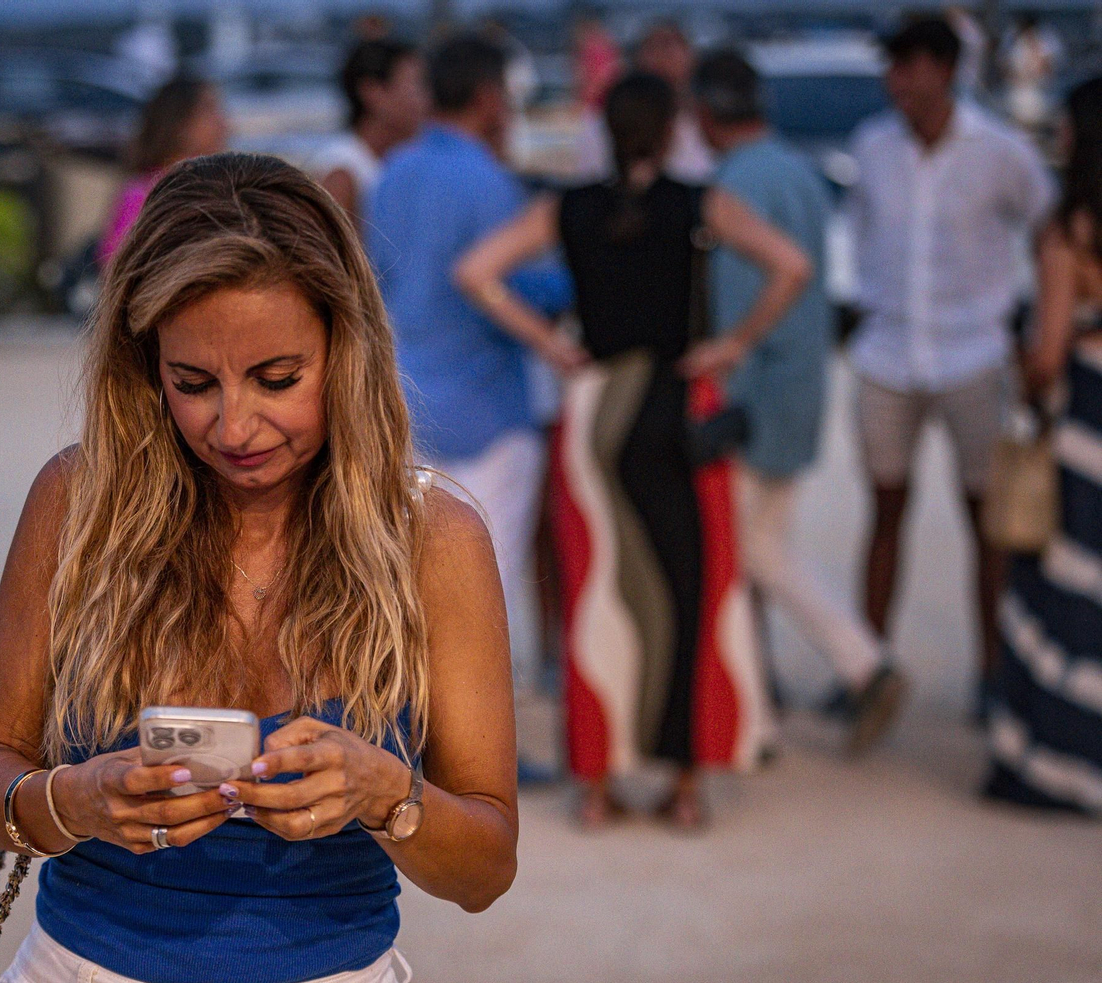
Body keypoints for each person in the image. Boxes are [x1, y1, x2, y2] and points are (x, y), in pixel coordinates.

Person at [0, 153, 520, 983]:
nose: (234, 427)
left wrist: (385, 794)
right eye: (192, 383)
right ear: (144, 367)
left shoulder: (435, 537)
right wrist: (80, 799)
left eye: (276, 377)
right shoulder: (77, 502)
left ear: (347, 348)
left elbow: (488, 867)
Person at [454, 72, 807, 830]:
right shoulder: (699, 202)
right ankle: (683, 787)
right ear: (672, 124)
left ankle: (595, 788)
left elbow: (475, 273)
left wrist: (553, 344)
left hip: (595, 415)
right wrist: (733, 346)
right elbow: (794, 266)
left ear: (606, 129)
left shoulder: (567, 206)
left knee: (595, 598)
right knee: (690, 592)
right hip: (677, 407)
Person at [366, 35, 572, 779]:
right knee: (492, 590)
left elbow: (375, 281)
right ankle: (487, 759)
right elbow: (535, 289)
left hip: (404, 403)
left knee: (407, 585)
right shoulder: (492, 183)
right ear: (488, 98)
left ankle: (408, 741)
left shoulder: (393, 173)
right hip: (486, 407)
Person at [693, 49, 908, 753]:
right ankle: (775, 692)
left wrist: (726, 382)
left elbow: (734, 307)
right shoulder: (800, 172)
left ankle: (859, 665)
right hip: (800, 386)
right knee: (766, 546)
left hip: (753, 392)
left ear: (705, 115)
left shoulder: (733, 186)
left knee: (754, 554)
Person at [848, 16, 1055, 731]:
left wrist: (1035, 322)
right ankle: (867, 666)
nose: (895, 81)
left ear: (943, 69)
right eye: (892, 66)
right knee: (884, 512)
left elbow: (1048, 225)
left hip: (974, 354)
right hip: (888, 352)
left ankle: (992, 673)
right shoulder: (873, 147)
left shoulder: (999, 151)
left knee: (985, 524)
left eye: (906, 66)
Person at [984, 76, 1102, 815]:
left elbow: (1048, 354)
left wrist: (1028, 378)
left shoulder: (1069, 231)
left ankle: (1057, 759)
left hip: (1087, 419)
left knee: (1065, 586)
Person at [97, 76, 228, 267]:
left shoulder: (213, 185)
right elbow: (120, 270)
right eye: (209, 110)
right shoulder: (143, 196)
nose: (223, 123)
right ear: (181, 123)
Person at [310, 38, 428, 231]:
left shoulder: (398, 161)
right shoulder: (343, 174)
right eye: (416, 86)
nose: (426, 100)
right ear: (373, 93)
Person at [633, 20, 714, 182]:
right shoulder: (621, 123)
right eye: (653, 46)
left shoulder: (712, 121)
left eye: (670, 44)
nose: (663, 54)